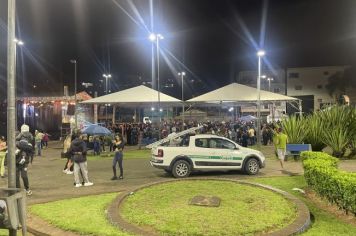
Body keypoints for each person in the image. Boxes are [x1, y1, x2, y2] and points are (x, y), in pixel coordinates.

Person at [15, 124, 34, 196]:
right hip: (16, 160)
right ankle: (18, 190)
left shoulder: (30, 138)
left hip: (24, 161)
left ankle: (27, 189)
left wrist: (20, 146)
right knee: (16, 176)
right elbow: (29, 148)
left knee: (24, 176)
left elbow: (31, 149)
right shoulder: (17, 139)